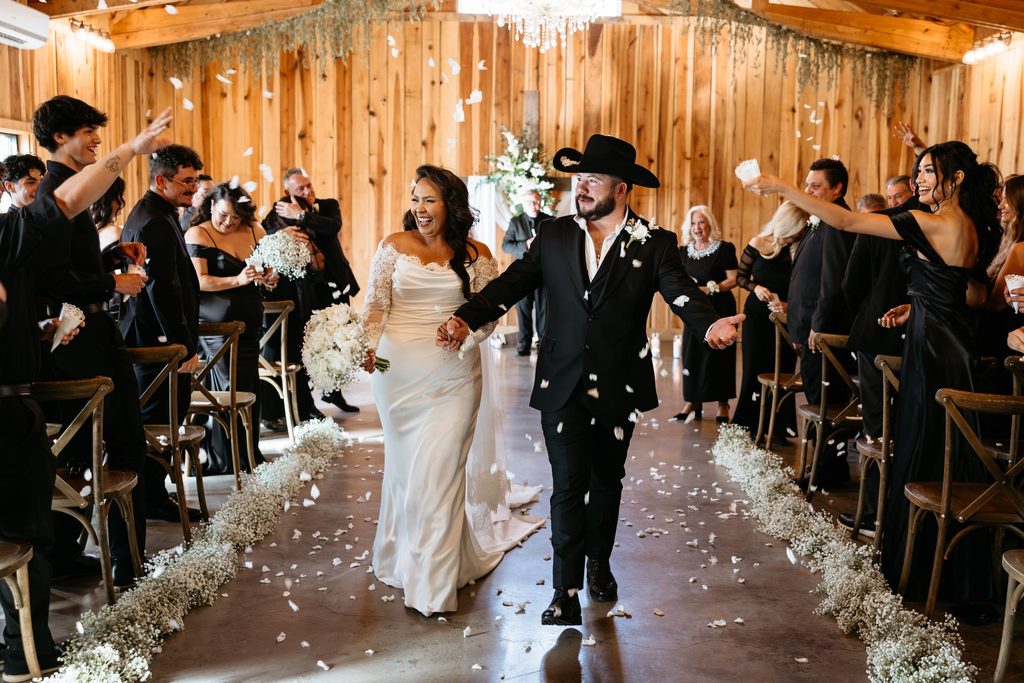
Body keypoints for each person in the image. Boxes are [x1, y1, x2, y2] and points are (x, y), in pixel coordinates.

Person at [443, 135, 743, 625]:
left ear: (621, 189)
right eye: (578, 178)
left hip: (620, 382)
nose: (580, 187)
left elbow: (680, 292)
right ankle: (564, 591)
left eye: (593, 180)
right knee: (567, 483)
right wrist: (466, 318)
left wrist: (709, 326)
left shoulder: (656, 242)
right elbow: (513, 283)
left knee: (606, 480)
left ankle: (599, 564)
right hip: (560, 379)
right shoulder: (554, 235)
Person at [744, 140, 1002, 603]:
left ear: (956, 178)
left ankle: (924, 572)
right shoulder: (966, 224)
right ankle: (950, 572)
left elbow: (845, 221)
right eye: (919, 171)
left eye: (928, 171)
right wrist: (919, 305)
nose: (919, 179)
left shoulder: (934, 221)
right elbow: (974, 295)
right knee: (945, 455)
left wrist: (782, 187)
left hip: (933, 352)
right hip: (948, 344)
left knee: (925, 452)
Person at [0, 110, 171, 683]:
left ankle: (27, 645)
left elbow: (62, 229)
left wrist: (44, 326)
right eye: (86, 133)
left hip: (29, 383)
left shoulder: (12, 234)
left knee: (31, 522)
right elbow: (61, 225)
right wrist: (133, 147)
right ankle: (27, 648)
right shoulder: (28, 218)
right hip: (31, 391)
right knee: (35, 514)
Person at [361, 165, 543, 616]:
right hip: (397, 375)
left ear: (451, 205)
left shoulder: (477, 254)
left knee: (440, 473)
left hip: (454, 374)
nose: (419, 209)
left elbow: (492, 315)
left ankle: (432, 584)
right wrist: (365, 347)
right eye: (415, 199)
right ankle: (405, 556)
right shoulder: (392, 246)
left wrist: (466, 334)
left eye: (429, 200)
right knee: (408, 472)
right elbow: (375, 307)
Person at [33, 95, 151, 587]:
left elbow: (73, 267)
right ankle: (126, 561)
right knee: (114, 443)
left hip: (96, 332)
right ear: (60, 136)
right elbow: (50, 280)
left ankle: (96, 556)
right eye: (88, 131)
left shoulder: (68, 190)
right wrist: (111, 283)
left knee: (104, 444)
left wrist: (112, 256)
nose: (97, 139)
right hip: (80, 339)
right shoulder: (54, 196)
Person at [120, 144, 204, 522]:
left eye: (196, 180)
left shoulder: (158, 213)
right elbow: (163, 289)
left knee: (165, 415)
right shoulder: (154, 220)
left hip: (154, 335)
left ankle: (153, 493)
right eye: (186, 181)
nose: (193, 188)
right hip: (155, 341)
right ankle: (151, 496)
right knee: (160, 419)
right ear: (161, 180)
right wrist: (182, 345)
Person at [186, 184, 277, 474]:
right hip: (216, 325)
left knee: (249, 383)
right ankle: (225, 457)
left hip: (250, 319)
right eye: (223, 214)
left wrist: (269, 277)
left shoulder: (255, 231)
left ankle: (249, 452)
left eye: (236, 217)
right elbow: (199, 281)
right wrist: (237, 280)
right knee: (229, 384)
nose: (228, 222)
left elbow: (267, 268)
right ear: (212, 206)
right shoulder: (198, 233)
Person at [775, 157, 855, 487]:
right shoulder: (817, 219)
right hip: (807, 326)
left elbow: (832, 282)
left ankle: (829, 472)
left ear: (837, 189)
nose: (808, 191)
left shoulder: (837, 223)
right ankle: (822, 468)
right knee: (816, 399)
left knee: (826, 403)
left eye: (816, 186)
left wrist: (818, 326)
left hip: (820, 331)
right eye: (807, 185)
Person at [263, 167, 361, 416]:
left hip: (334, 281)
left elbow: (332, 227)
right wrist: (283, 231)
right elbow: (264, 234)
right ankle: (306, 401)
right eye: (301, 188)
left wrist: (301, 215)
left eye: (309, 185)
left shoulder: (328, 205)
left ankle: (334, 390)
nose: (308, 191)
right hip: (305, 288)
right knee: (306, 339)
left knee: (338, 337)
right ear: (287, 191)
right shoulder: (279, 209)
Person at [731, 201, 806, 438]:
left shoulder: (799, 249)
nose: (796, 236)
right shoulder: (758, 243)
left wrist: (788, 306)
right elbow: (740, 277)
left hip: (784, 318)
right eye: (794, 231)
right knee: (754, 368)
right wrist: (756, 287)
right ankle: (751, 425)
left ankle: (779, 429)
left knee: (782, 370)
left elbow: (804, 288)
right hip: (756, 316)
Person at [673, 205, 737, 424]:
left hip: (720, 309)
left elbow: (733, 279)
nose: (697, 227)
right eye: (693, 223)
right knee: (691, 354)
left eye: (701, 222)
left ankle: (723, 403)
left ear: (710, 224)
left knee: (720, 354)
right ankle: (693, 401)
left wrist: (711, 288)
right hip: (694, 311)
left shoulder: (724, 248)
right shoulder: (683, 252)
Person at [501, 190, 553, 355]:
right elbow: (506, 246)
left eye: (536, 201)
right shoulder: (515, 222)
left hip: (544, 273)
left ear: (541, 202)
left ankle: (542, 344)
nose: (533, 205)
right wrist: (525, 244)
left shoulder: (550, 220)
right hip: (522, 274)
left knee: (544, 310)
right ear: (523, 204)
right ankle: (524, 345)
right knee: (523, 310)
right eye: (529, 202)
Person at [90, 176, 126, 252]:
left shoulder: (92, 227)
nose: (123, 199)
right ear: (109, 198)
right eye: (121, 194)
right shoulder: (115, 232)